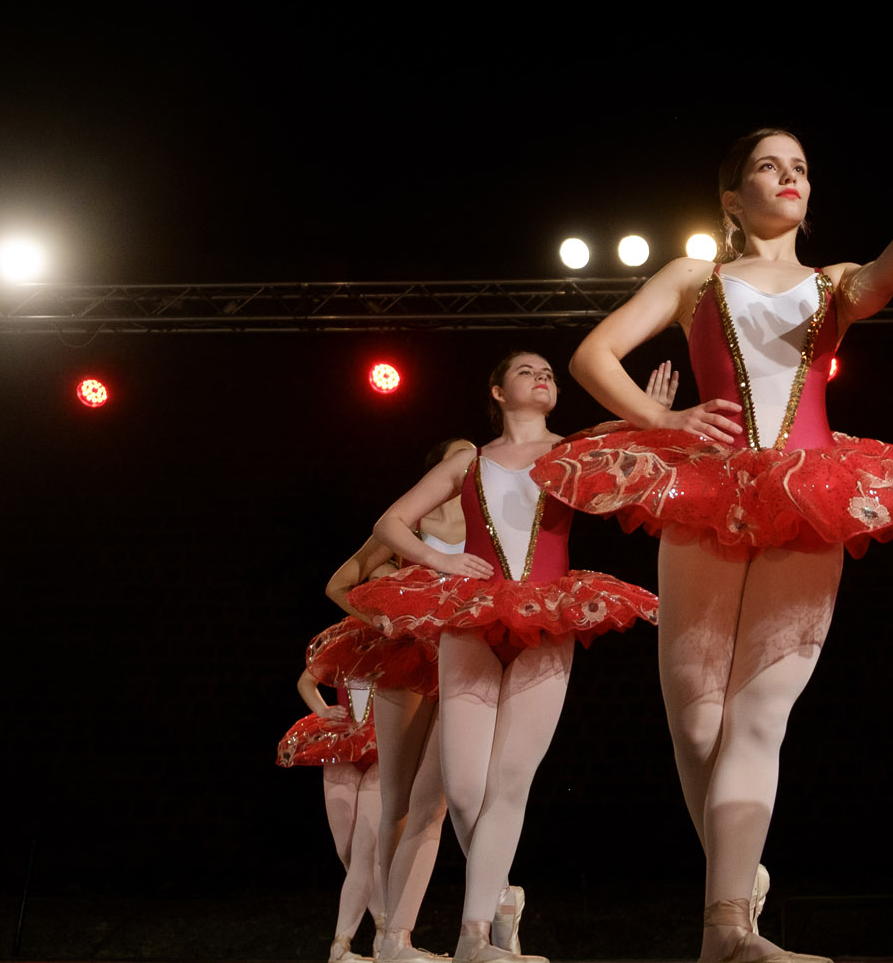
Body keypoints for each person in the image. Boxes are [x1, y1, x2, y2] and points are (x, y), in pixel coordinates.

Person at [538, 100, 893, 963]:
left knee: (759, 714)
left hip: (811, 494)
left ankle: (726, 932)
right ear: (731, 199)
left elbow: (890, 274)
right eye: (769, 165)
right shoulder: (693, 277)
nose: (790, 176)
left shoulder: (834, 284)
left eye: (801, 168)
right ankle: (739, 884)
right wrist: (661, 421)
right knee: (696, 726)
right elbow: (592, 356)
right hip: (705, 492)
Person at [351, 354, 664, 963]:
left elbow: (634, 461)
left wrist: (650, 416)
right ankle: (498, 901)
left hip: (547, 617)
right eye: (526, 370)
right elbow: (390, 523)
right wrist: (442, 561)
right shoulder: (467, 461)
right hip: (473, 617)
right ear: (497, 391)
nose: (543, 376)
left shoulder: (571, 450)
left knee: (510, 784)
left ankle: (473, 937)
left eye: (548, 371)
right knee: (465, 788)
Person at [310, 437, 476, 962]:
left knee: (443, 800)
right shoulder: (412, 522)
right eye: (461, 455)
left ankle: (412, 930)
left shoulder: (487, 519)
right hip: (408, 659)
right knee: (396, 800)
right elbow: (340, 583)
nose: (472, 463)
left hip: (463, 657)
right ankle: (386, 935)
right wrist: (382, 620)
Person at [278, 669, 384, 961]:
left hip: (382, 748)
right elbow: (306, 681)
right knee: (347, 850)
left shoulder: (396, 648)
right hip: (343, 743)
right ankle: (384, 927)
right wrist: (323, 710)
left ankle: (341, 944)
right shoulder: (341, 648)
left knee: (365, 849)